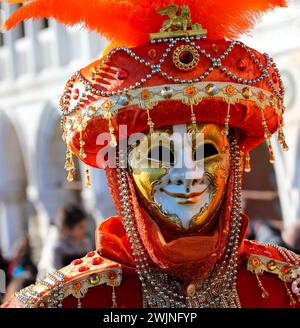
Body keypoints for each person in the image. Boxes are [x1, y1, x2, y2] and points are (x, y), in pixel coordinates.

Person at [2, 0, 300, 308]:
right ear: (124, 168)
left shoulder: (286, 287)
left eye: (207, 150)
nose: (188, 174)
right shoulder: (66, 302)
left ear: (233, 157)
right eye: (160, 154)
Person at [37, 205, 93, 279]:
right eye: (80, 227)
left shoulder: (85, 242)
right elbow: (54, 273)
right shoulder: (57, 247)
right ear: (68, 228)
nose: (84, 230)